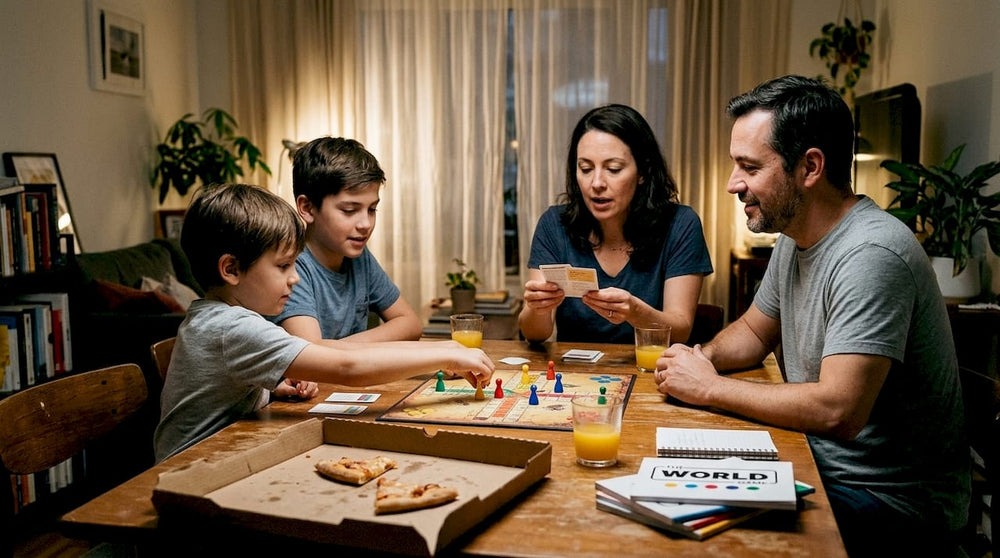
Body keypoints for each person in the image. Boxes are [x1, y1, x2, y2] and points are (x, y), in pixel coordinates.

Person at [653, 75, 969, 557]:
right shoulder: (795, 238)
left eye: (749, 167)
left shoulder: (872, 253)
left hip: (892, 504)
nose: (733, 183)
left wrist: (710, 388)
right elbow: (754, 331)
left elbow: (838, 409)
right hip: (819, 465)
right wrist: (697, 359)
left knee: (686, 538)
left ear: (810, 167)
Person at [154, 183, 494, 462]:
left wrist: (270, 383)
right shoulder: (232, 327)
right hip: (188, 477)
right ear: (231, 270)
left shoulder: (217, 316)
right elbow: (348, 366)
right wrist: (445, 353)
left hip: (217, 461)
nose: (295, 279)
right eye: (283, 266)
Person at [519, 104, 713, 344]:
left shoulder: (681, 224)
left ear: (643, 171)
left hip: (653, 371)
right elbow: (535, 334)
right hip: (574, 377)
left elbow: (680, 330)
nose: (597, 182)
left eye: (613, 169)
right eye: (586, 169)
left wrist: (635, 312)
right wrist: (536, 308)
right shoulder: (554, 224)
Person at [271, 137, 422, 342]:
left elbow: (410, 324)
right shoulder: (291, 268)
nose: (365, 224)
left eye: (372, 209)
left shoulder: (358, 256)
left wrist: (337, 349)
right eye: (349, 210)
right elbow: (314, 356)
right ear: (307, 208)